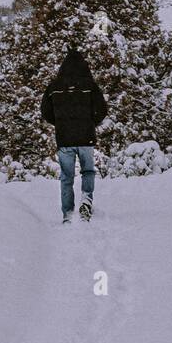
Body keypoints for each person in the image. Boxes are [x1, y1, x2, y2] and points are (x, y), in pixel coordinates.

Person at [40, 48, 107, 224]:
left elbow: (45, 111)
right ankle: (86, 199)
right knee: (88, 171)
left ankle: (68, 213)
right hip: (86, 136)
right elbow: (102, 109)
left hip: (64, 138)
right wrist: (91, 122)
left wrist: (60, 122)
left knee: (66, 176)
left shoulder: (54, 87)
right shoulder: (90, 85)